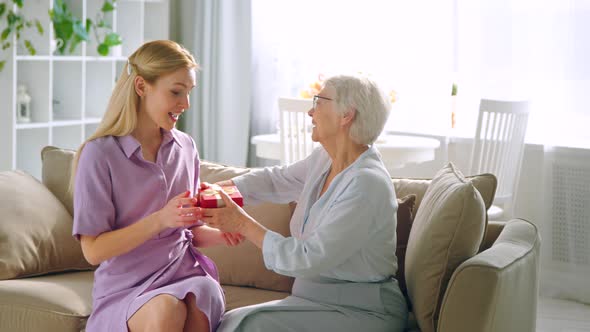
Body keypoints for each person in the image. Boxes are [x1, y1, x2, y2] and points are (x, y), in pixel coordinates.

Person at [200, 75, 409, 331]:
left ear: (346, 116)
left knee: (248, 327)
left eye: (319, 102)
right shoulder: (324, 160)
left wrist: (242, 224)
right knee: (233, 322)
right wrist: (215, 192)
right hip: (315, 300)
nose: (311, 111)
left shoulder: (367, 184)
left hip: (362, 311)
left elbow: (308, 258)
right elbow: (275, 181)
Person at [71, 40, 242, 332]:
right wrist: (161, 218)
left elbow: (187, 230)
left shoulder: (186, 147)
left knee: (205, 293)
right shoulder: (100, 154)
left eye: (189, 93)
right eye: (176, 92)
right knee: (166, 309)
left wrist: (221, 234)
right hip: (126, 287)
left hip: (182, 273)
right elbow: (93, 251)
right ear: (141, 86)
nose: (185, 104)